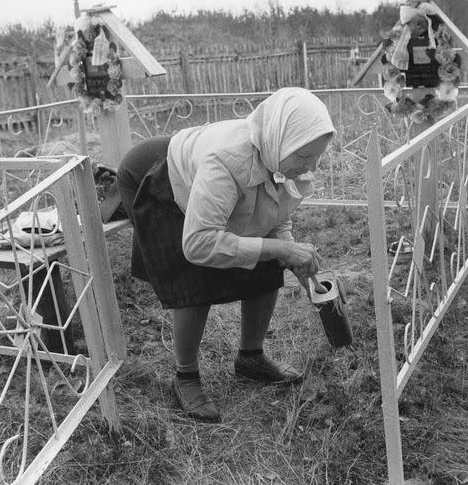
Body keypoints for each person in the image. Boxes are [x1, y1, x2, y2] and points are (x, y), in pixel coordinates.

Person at [116, 87, 336, 423]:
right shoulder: (226, 159)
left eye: (316, 157)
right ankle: (185, 377)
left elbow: (276, 218)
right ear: (281, 140)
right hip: (155, 173)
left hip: (197, 169)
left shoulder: (279, 152)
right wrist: (278, 248)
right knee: (193, 275)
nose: (310, 167)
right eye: (304, 158)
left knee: (265, 264)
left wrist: (295, 261)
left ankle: (251, 357)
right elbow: (199, 243)